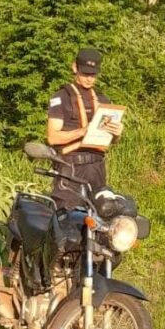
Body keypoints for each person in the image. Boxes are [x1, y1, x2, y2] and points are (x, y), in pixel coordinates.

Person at [46, 48, 123, 209]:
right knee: (67, 216)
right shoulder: (61, 98)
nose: (89, 78)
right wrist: (83, 131)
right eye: (85, 73)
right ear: (75, 67)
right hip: (71, 168)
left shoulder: (103, 100)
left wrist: (116, 134)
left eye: (93, 74)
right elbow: (53, 138)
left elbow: (111, 140)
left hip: (97, 168)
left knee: (100, 216)